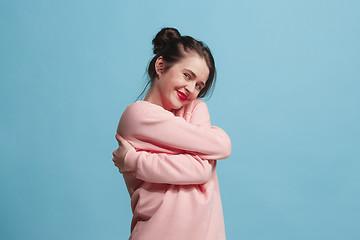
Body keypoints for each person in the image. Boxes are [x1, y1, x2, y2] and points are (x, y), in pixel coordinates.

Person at [112, 27, 231, 240]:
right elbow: (202, 168)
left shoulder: (195, 108)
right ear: (161, 65)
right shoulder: (137, 115)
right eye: (187, 75)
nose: (191, 89)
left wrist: (134, 160)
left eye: (198, 85)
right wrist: (203, 153)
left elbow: (218, 151)